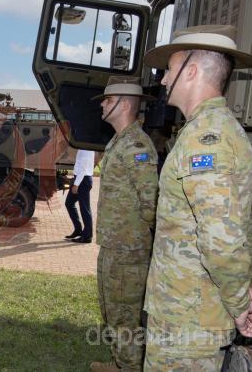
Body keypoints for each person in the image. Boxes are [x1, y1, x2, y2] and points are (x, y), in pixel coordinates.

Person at [143, 25, 252, 370]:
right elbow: (239, 225)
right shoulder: (215, 129)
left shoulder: (205, 138)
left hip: (187, 321)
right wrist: (245, 289)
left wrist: (239, 303)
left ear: (191, 71)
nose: (163, 80)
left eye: (169, 69)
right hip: (190, 312)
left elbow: (221, 238)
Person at [88, 77, 159, 372]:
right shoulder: (119, 140)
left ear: (124, 104)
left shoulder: (137, 145)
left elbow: (151, 201)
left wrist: (139, 241)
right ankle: (120, 362)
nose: (102, 105)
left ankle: (129, 367)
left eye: (107, 100)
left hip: (128, 249)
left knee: (125, 316)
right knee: (112, 311)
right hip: (113, 245)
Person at [64, 149, 95, 243]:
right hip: (80, 179)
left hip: (83, 180)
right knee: (69, 203)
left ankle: (87, 236)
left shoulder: (86, 149)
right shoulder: (82, 148)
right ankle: (78, 230)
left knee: (85, 209)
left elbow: (83, 169)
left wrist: (76, 184)